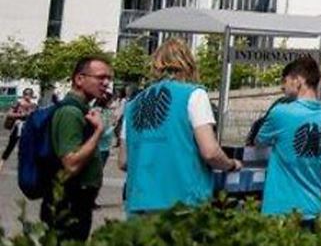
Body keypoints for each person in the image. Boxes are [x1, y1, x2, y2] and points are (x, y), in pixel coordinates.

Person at [119, 38, 240, 215]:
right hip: (183, 202)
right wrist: (230, 164)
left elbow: (123, 161)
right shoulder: (194, 95)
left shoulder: (133, 105)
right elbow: (210, 152)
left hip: (139, 204)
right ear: (188, 64)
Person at [256, 55, 321, 222]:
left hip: (279, 212)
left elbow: (259, 142)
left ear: (298, 81)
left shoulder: (280, 113)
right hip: (313, 210)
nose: (282, 87)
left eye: (285, 81)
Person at [43, 55, 113, 241]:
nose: (106, 83)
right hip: (68, 203)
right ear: (79, 79)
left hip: (76, 203)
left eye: (108, 79)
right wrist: (99, 131)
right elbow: (71, 164)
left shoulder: (81, 110)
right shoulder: (71, 112)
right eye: (100, 77)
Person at [1, 88, 37, 172]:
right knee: (11, 146)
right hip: (17, 127)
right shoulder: (18, 103)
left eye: (29, 94)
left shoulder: (33, 105)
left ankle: (24, 166)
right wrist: (21, 115)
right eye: (26, 94)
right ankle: (1, 163)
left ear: (32, 95)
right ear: (23, 95)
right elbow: (9, 114)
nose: (27, 96)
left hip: (28, 128)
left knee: (26, 147)